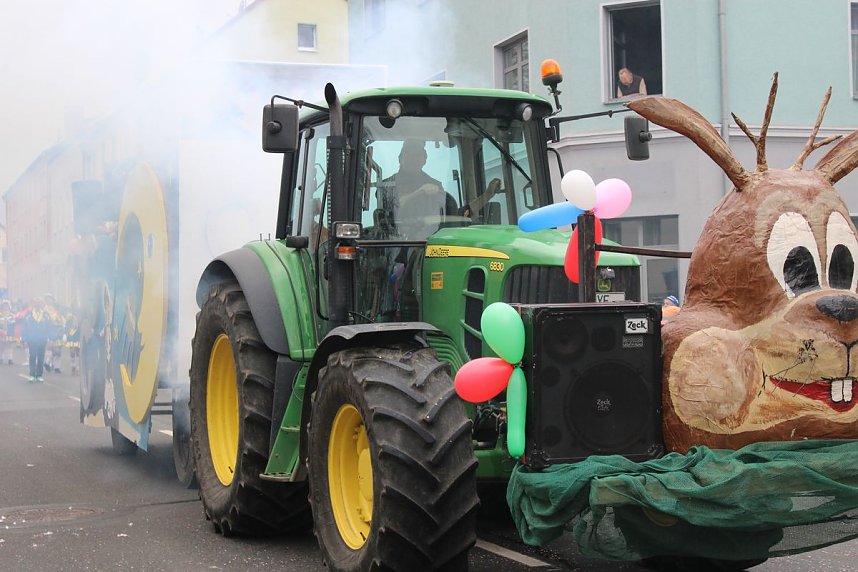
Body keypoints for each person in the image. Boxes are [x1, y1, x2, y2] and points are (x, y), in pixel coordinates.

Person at [22, 297, 52, 382]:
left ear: (42, 304)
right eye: (36, 303)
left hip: (42, 339)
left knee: (41, 357)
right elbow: (25, 328)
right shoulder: (29, 315)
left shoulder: (46, 315)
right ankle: (32, 374)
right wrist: (24, 339)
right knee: (32, 356)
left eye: (39, 303)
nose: (38, 304)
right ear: (33, 304)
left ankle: (39, 375)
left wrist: (51, 338)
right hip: (32, 339)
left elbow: (49, 327)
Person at [0, 300, 15, 365]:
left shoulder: (11, 315)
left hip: (9, 332)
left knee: (10, 346)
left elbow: (13, 324)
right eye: (4, 305)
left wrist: (10, 332)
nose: (5, 307)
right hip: (1, 333)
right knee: (1, 346)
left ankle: (10, 359)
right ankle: (1, 358)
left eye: (7, 305)